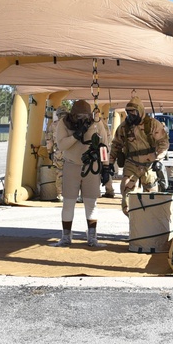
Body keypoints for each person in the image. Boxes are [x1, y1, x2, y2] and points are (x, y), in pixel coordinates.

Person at [54, 100, 109, 247]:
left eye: (85, 116)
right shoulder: (64, 123)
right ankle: (66, 237)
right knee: (68, 202)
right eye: (79, 116)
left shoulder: (96, 123)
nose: (82, 119)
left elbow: (104, 146)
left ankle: (92, 237)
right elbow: (61, 145)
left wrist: (106, 167)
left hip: (91, 166)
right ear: (73, 115)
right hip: (71, 165)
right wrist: (76, 136)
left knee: (91, 202)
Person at [108, 96, 169, 215]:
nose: (131, 115)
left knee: (152, 198)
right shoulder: (124, 127)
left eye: (133, 112)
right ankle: (134, 219)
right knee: (127, 194)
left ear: (140, 111)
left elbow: (163, 143)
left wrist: (158, 159)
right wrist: (110, 163)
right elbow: (116, 145)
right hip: (131, 164)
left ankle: (149, 223)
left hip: (150, 164)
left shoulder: (152, 124)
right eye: (128, 112)